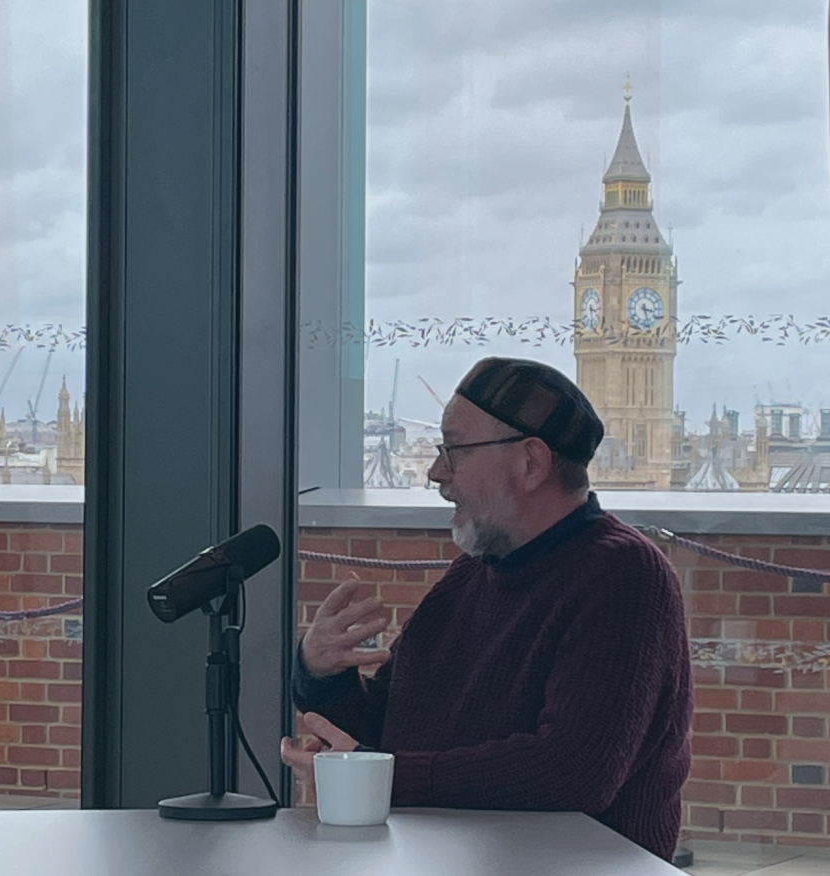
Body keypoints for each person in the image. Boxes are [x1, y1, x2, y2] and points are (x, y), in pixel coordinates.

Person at [281, 357, 692, 861]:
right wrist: (323, 674)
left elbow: (571, 772)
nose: (435, 472)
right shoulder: (474, 572)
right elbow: (390, 731)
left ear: (531, 464)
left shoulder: (625, 577)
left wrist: (381, 775)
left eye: (454, 450)